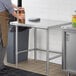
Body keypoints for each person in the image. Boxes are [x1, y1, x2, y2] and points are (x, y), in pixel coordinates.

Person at [0, 0, 24, 72]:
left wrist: (18, 7)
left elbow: (9, 4)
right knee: (3, 42)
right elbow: (11, 10)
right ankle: (0, 66)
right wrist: (21, 18)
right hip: (1, 20)